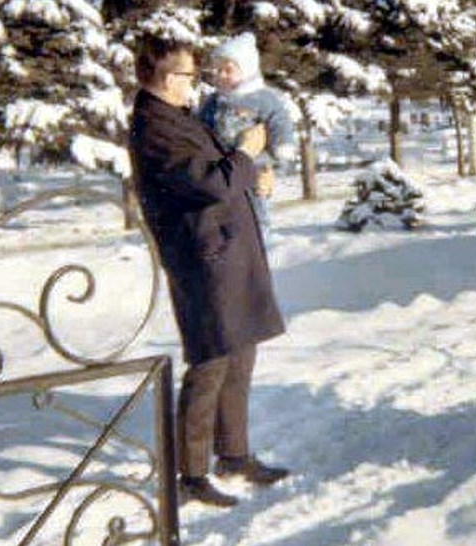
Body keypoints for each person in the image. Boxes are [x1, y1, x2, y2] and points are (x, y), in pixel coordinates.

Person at [129, 35, 289, 508]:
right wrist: (245, 151)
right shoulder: (154, 127)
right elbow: (210, 181)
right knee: (211, 360)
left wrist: (252, 173)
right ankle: (192, 473)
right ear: (161, 77)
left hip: (225, 251)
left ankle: (234, 454)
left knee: (239, 354)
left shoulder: (177, 116)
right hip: (203, 259)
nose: (193, 83)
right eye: (186, 75)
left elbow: (220, 174)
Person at [198, 32, 295, 248]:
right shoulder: (213, 101)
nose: (221, 75)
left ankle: (261, 243)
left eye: (228, 69)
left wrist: (282, 149)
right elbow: (200, 125)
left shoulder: (263, 98)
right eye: (217, 70)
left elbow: (279, 121)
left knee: (256, 208)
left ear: (246, 69)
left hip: (255, 167)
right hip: (223, 168)